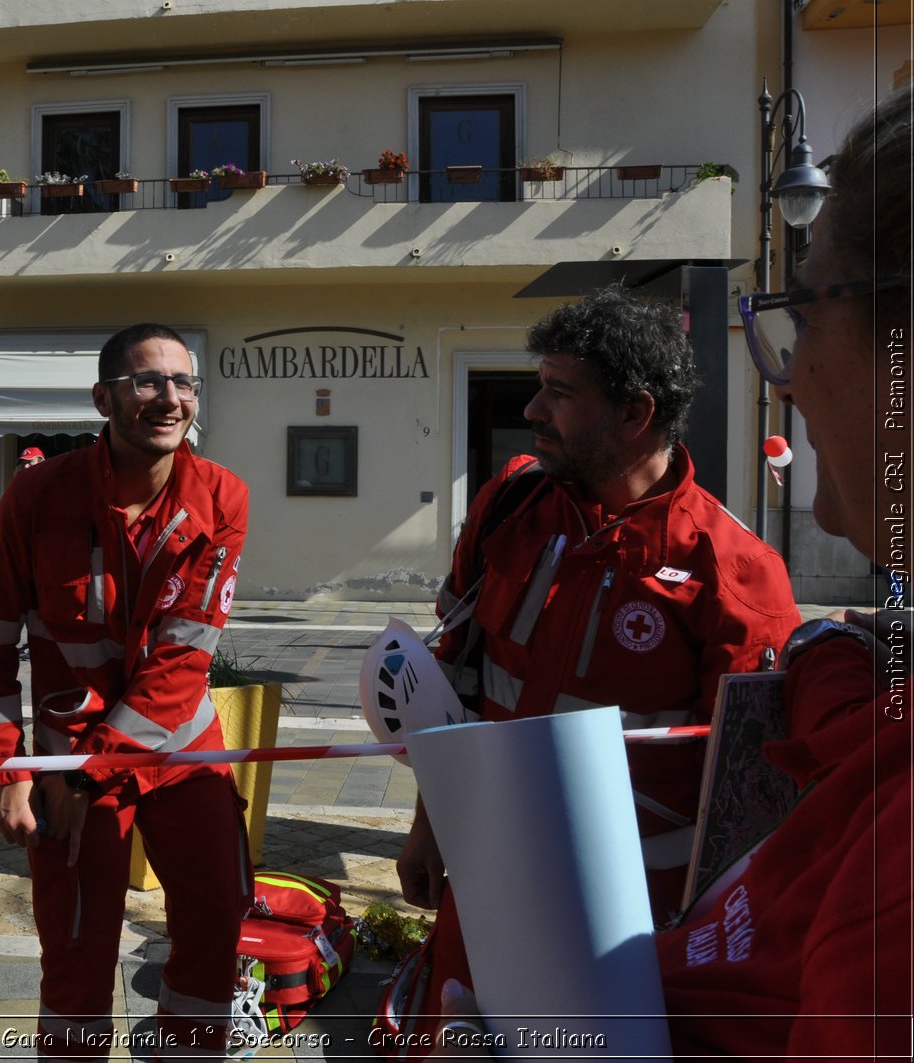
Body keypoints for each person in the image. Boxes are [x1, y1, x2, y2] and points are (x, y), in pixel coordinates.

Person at [431, 86, 913, 1061]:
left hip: (622, 938)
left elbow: (751, 811)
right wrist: (429, 827)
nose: (531, 412)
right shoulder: (512, 508)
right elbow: (459, 684)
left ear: (636, 413)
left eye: (558, 395)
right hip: (485, 895)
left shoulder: (732, 565)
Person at [0, 323, 252, 1060]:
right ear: (103, 398)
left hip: (177, 749)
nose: (171, 398)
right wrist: (13, 768)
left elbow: (179, 666)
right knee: (76, 948)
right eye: (148, 381)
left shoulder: (223, 498)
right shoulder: (34, 496)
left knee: (217, 917)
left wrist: (90, 778)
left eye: (184, 383)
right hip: (68, 765)